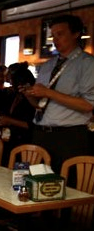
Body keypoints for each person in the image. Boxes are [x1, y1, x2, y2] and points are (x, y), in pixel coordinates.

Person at [22, 14, 94, 173]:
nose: (55, 39)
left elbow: (88, 105)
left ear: (76, 34)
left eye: (60, 34)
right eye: (53, 35)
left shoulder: (87, 64)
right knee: (36, 183)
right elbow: (40, 105)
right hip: (41, 132)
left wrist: (49, 92)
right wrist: (29, 95)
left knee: (66, 188)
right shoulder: (48, 65)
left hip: (69, 136)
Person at [0, 63, 36, 166]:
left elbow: (31, 124)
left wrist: (9, 121)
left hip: (24, 141)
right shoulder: (13, 95)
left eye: (11, 81)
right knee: (6, 170)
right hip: (10, 139)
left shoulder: (32, 98)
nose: (9, 83)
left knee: (20, 176)